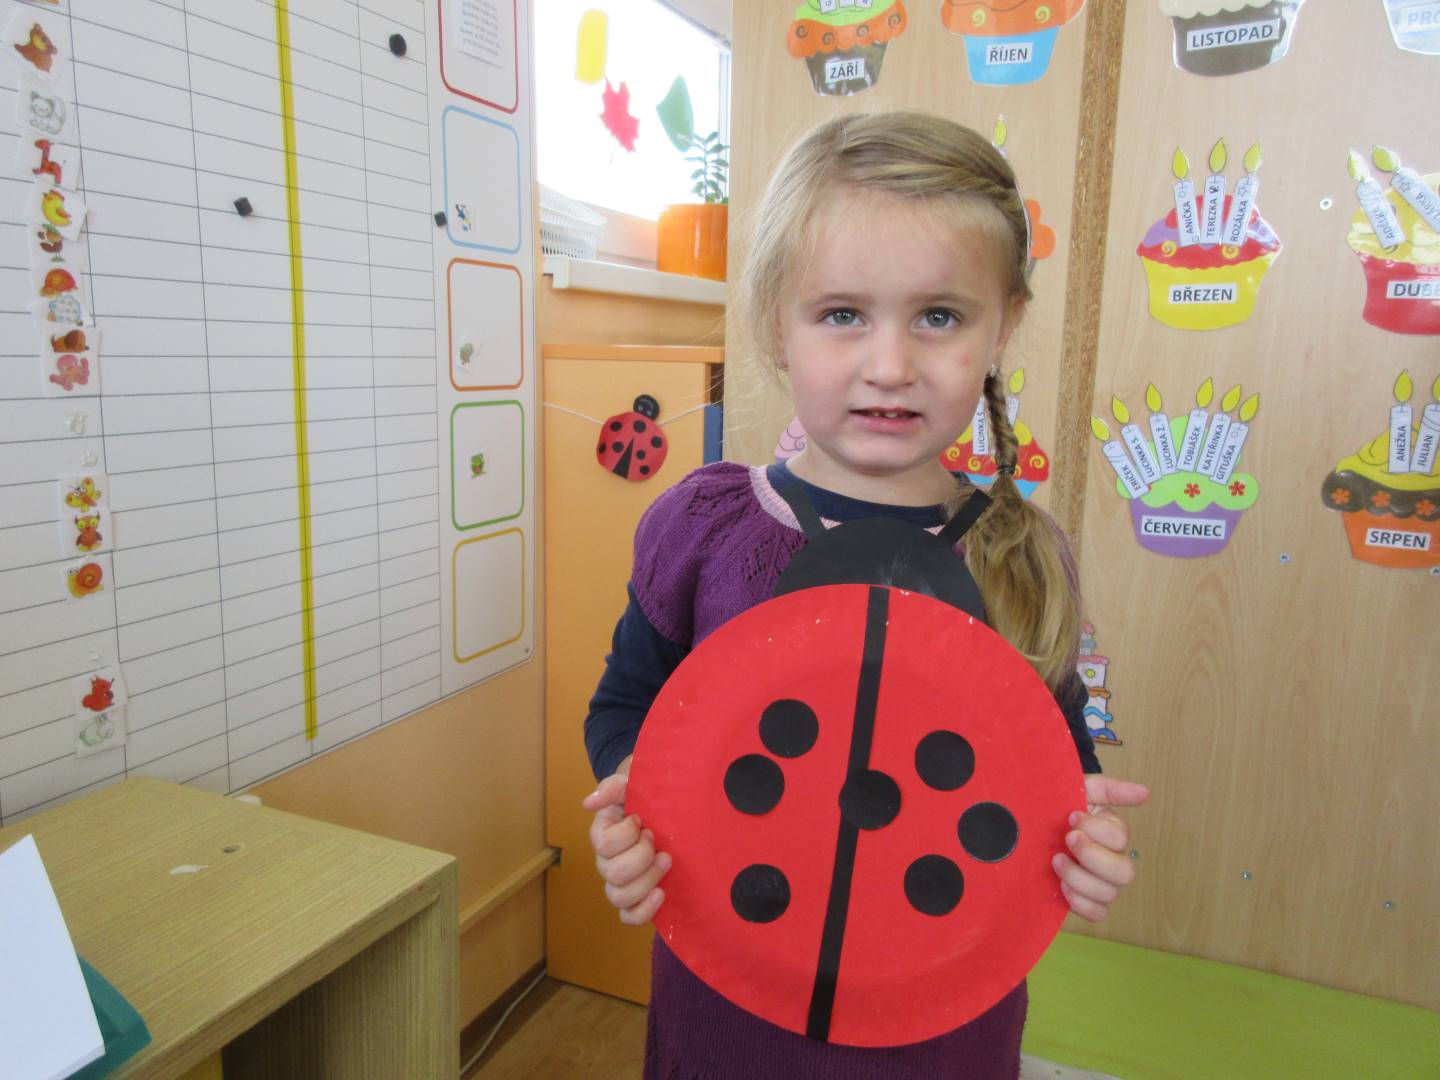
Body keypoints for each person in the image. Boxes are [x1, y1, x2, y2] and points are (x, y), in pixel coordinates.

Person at [581, 110, 1151, 1078]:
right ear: (776, 322)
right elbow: (624, 706)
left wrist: (1081, 840)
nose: (890, 366)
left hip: (944, 1024)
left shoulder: (1025, 555)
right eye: (842, 313)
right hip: (727, 1007)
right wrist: (638, 805)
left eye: (940, 316)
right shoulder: (705, 527)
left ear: (1003, 326)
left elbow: (1057, 763)